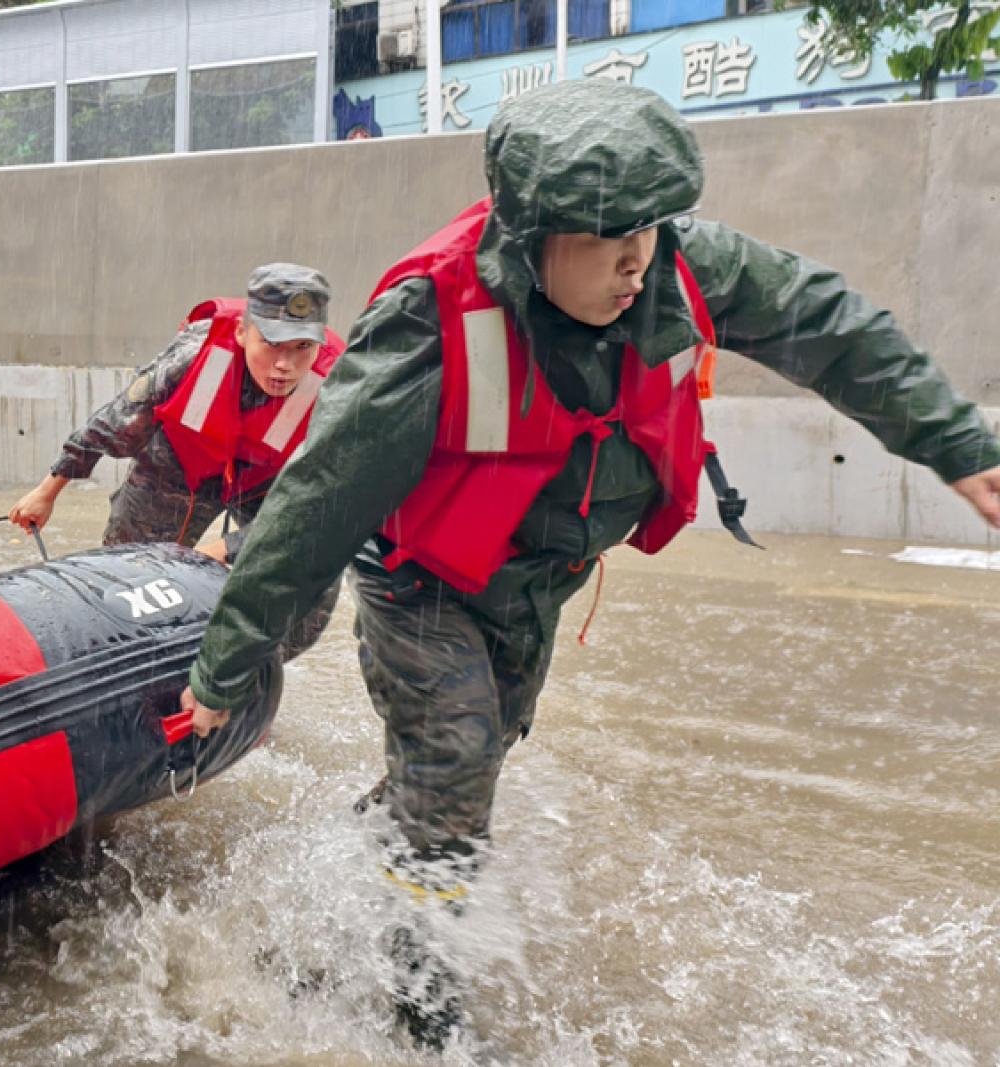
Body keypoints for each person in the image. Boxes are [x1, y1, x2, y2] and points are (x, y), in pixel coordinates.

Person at [177, 80, 1000, 1045]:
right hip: (423, 583)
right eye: (609, 239)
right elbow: (318, 498)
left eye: (648, 230)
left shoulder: (678, 268)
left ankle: (326, 898)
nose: (635, 260)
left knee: (453, 779)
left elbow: (833, 327)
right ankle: (423, 1016)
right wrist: (225, 665)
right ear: (534, 238)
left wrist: (956, 443)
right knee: (455, 762)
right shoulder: (432, 319)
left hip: (535, 588)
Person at [7, 264, 346, 656]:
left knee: (310, 589)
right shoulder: (196, 354)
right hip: (180, 465)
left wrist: (219, 552)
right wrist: (48, 490)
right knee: (124, 579)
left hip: (271, 482)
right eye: (271, 343)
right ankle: (125, 662)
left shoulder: (340, 389)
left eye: (302, 346)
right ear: (242, 332)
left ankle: (237, 672)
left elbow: (319, 510)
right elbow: (117, 420)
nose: (284, 364)